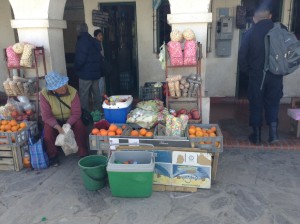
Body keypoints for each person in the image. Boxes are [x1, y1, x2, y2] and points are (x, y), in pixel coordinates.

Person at [238, 5, 283, 145]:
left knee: (256, 103)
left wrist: (248, 72)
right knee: (273, 102)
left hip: (257, 75)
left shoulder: (250, 33)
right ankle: (273, 135)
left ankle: (256, 137)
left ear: (254, 18)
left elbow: (242, 57)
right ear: (270, 16)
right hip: (276, 75)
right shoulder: (281, 30)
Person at [40, 71, 89, 166]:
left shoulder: (73, 91)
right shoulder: (44, 95)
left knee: (80, 126)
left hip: (70, 118)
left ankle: (83, 152)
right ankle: (53, 156)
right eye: (59, 87)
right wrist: (58, 127)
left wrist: (67, 125)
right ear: (53, 89)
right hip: (54, 120)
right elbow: (46, 116)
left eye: (63, 84)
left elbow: (76, 113)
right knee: (47, 131)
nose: (63, 88)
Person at [74, 22, 103, 112]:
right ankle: (98, 112)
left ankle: (85, 115)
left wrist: (76, 69)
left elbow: (80, 59)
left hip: (85, 74)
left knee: (84, 95)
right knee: (96, 93)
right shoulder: (93, 40)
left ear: (78, 31)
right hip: (95, 73)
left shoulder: (82, 41)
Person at [93, 29, 106, 100]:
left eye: (102, 35)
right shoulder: (96, 43)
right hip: (98, 68)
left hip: (99, 67)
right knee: (99, 84)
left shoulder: (99, 43)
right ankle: (99, 100)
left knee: (101, 84)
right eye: (99, 35)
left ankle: (100, 99)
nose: (101, 37)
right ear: (95, 36)